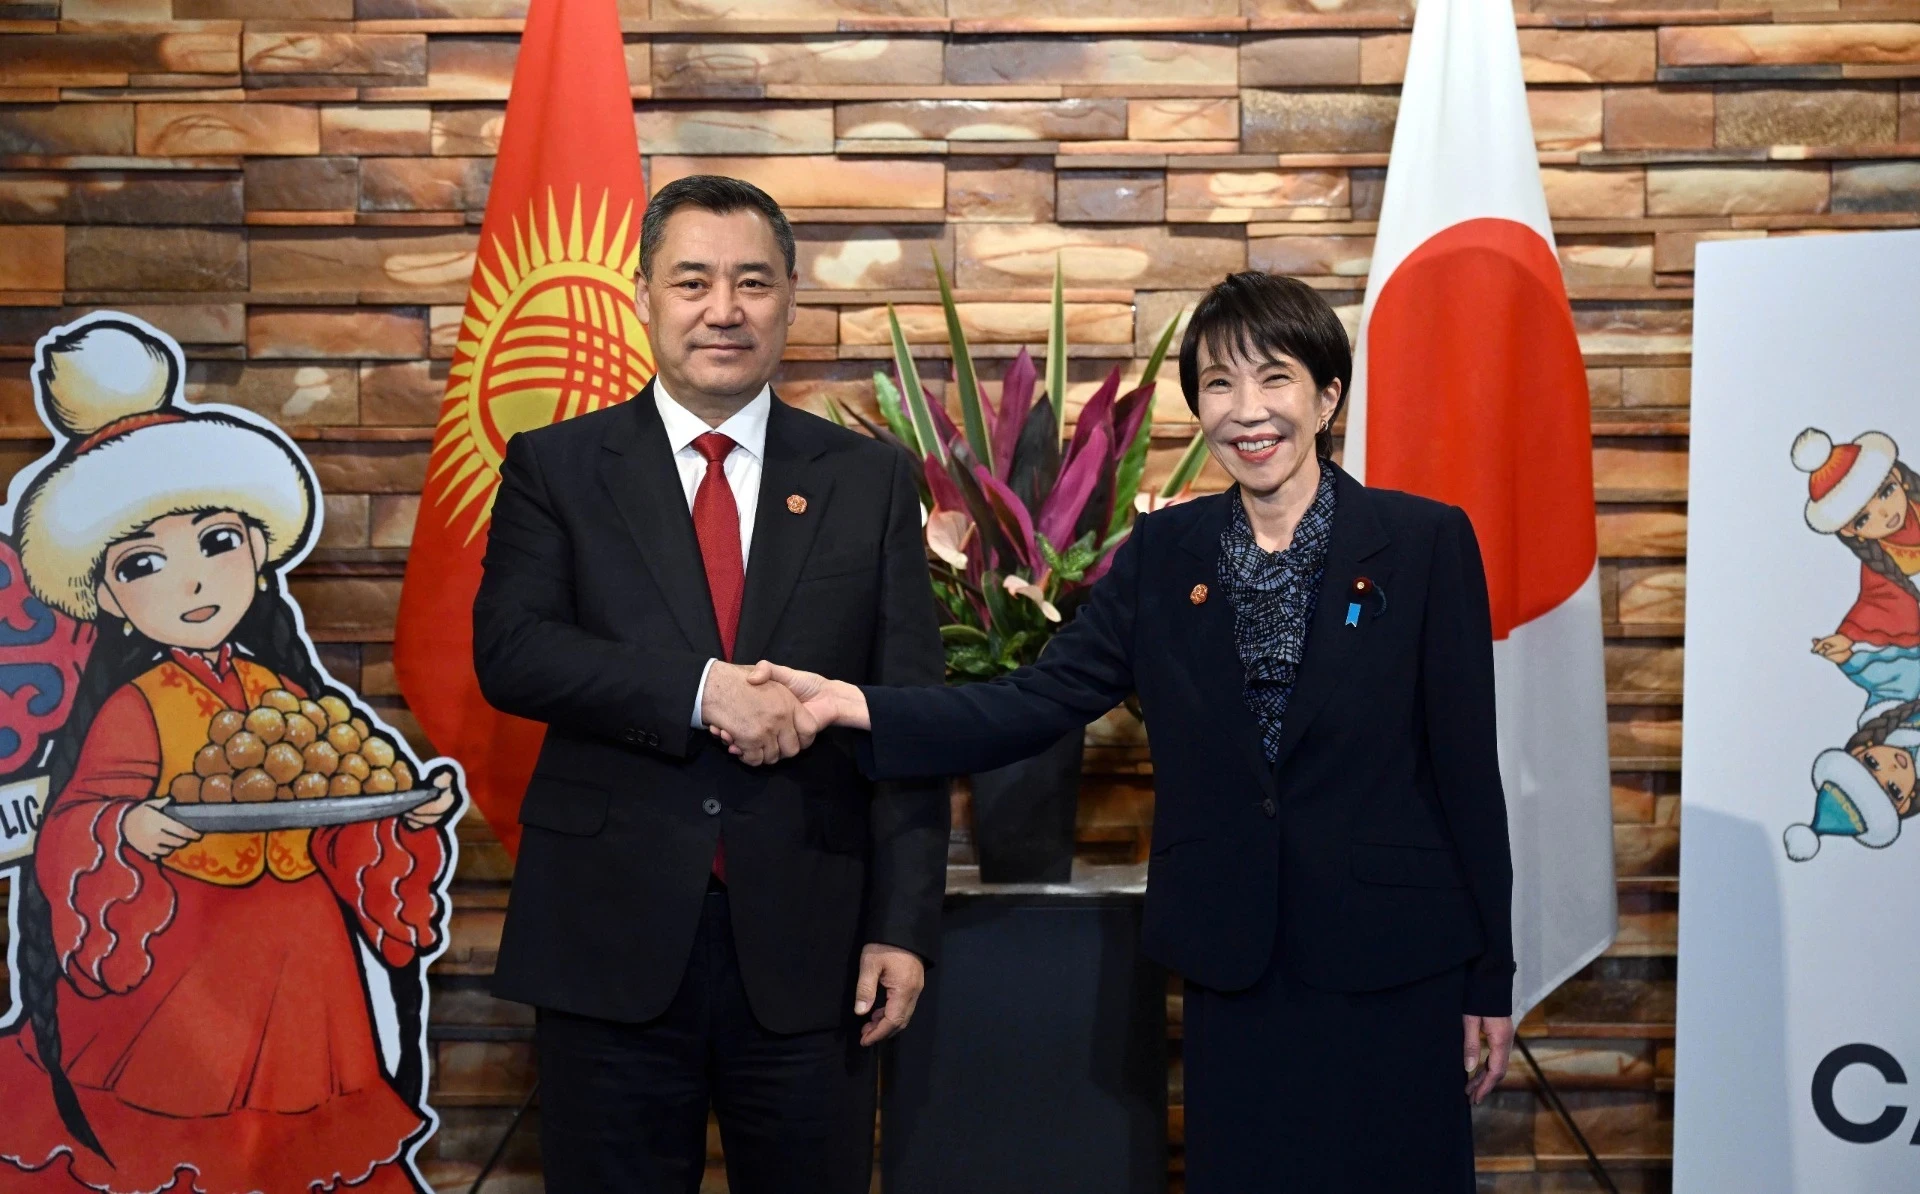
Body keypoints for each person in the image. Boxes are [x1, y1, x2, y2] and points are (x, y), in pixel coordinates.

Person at [736, 271, 1517, 1192]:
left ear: (1327, 396)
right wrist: (856, 704)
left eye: (1275, 378)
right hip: (1236, 962)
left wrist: (1490, 978)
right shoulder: (1165, 556)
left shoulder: (1422, 543)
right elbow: (1034, 700)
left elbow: (1468, 774)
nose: (1248, 410)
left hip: (1395, 960)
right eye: (1219, 384)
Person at [472, 174, 947, 1193]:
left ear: (789, 300)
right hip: (609, 938)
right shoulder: (557, 467)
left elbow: (908, 716)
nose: (723, 309)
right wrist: (701, 690)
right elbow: (513, 649)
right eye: (693, 281)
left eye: (752, 282)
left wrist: (902, 927)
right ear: (644, 295)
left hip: (816, 949)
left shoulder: (867, 479)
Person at [0, 318, 457, 1192]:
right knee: (178, 1146)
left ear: (256, 549)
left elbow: (333, 807)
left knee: (297, 1149)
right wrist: (126, 826)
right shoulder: (134, 707)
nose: (193, 580)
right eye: (144, 563)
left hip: (304, 963)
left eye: (217, 543)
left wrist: (403, 817)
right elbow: (75, 823)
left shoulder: (283, 692)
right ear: (111, 600)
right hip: (180, 958)